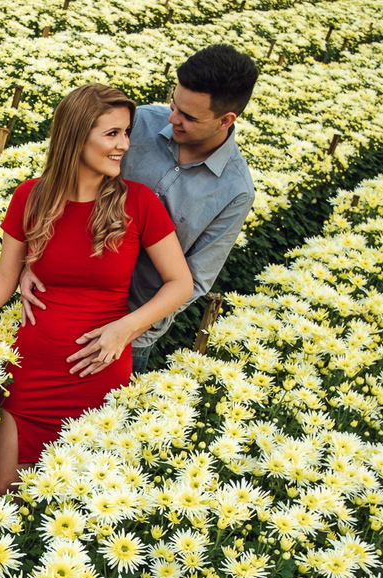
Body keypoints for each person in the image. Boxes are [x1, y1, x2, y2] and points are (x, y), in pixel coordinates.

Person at [0, 84, 193, 496]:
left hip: (98, 372)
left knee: (74, 506)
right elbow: (5, 278)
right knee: (5, 495)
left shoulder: (138, 202)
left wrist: (125, 328)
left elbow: (180, 283)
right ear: (76, 135)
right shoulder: (30, 196)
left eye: (126, 133)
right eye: (112, 133)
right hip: (30, 375)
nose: (124, 145)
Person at [19, 44, 259, 374]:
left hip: (130, 332)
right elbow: (71, 177)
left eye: (188, 117)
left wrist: (128, 329)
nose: (172, 118)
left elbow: (196, 280)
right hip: (60, 299)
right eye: (174, 103)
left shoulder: (235, 189)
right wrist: (35, 255)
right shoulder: (140, 121)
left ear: (226, 120)